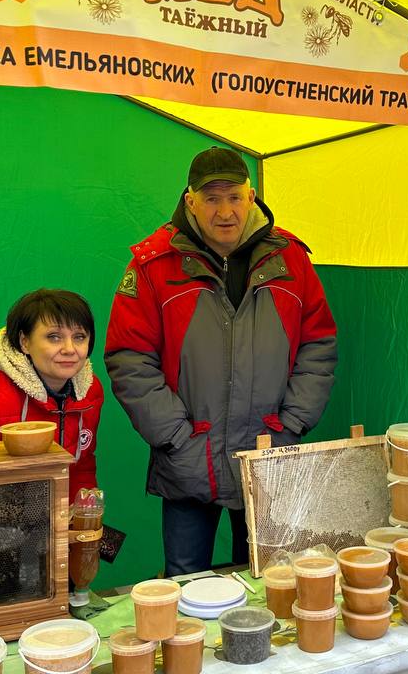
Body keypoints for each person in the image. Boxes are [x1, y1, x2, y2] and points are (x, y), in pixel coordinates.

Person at [106, 146, 338, 576]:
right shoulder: (153, 265)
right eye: (212, 198)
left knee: (272, 577)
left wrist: (291, 424)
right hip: (189, 457)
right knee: (184, 583)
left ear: (251, 196)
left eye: (234, 196)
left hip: (269, 454)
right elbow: (130, 358)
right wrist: (175, 437)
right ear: (190, 201)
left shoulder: (289, 259)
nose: (225, 211)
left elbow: (318, 342)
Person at [0, 289, 104, 494]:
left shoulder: (90, 390)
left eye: (79, 337)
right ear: (24, 342)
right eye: (54, 337)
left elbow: (81, 468)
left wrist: (78, 515)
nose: (69, 349)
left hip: (52, 516)